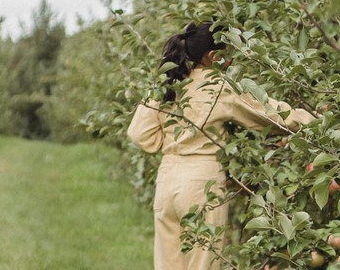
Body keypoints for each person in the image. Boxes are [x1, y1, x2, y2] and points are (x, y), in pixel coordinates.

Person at [127, 22, 314, 270]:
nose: (231, 63)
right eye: (229, 56)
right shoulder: (218, 86)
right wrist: (317, 122)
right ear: (213, 56)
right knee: (204, 263)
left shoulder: (169, 82)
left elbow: (139, 134)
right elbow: (271, 113)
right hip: (201, 184)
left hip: (167, 181)